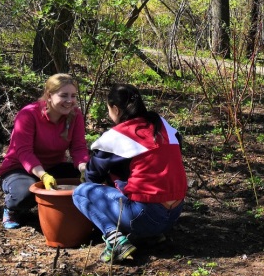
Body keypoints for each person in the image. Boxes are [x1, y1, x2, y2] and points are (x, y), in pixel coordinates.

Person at [73, 84, 187, 263]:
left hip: (145, 215)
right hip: (174, 213)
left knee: (80, 193)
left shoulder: (119, 135)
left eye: (109, 109)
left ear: (115, 109)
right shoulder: (161, 124)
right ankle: (152, 235)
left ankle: (115, 240)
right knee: (126, 182)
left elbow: (92, 175)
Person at [0, 74, 88, 229]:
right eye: (64, 95)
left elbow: (78, 147)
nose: (69, 101)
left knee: (90, 182)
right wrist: (43, 175)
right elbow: (24, 152)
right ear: (49, 95)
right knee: (25, 194)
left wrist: (84, 168)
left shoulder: (75, 115)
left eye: (73, 96)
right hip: (19, 169)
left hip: (54, 167)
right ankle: (11, 209)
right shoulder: (28, 114)